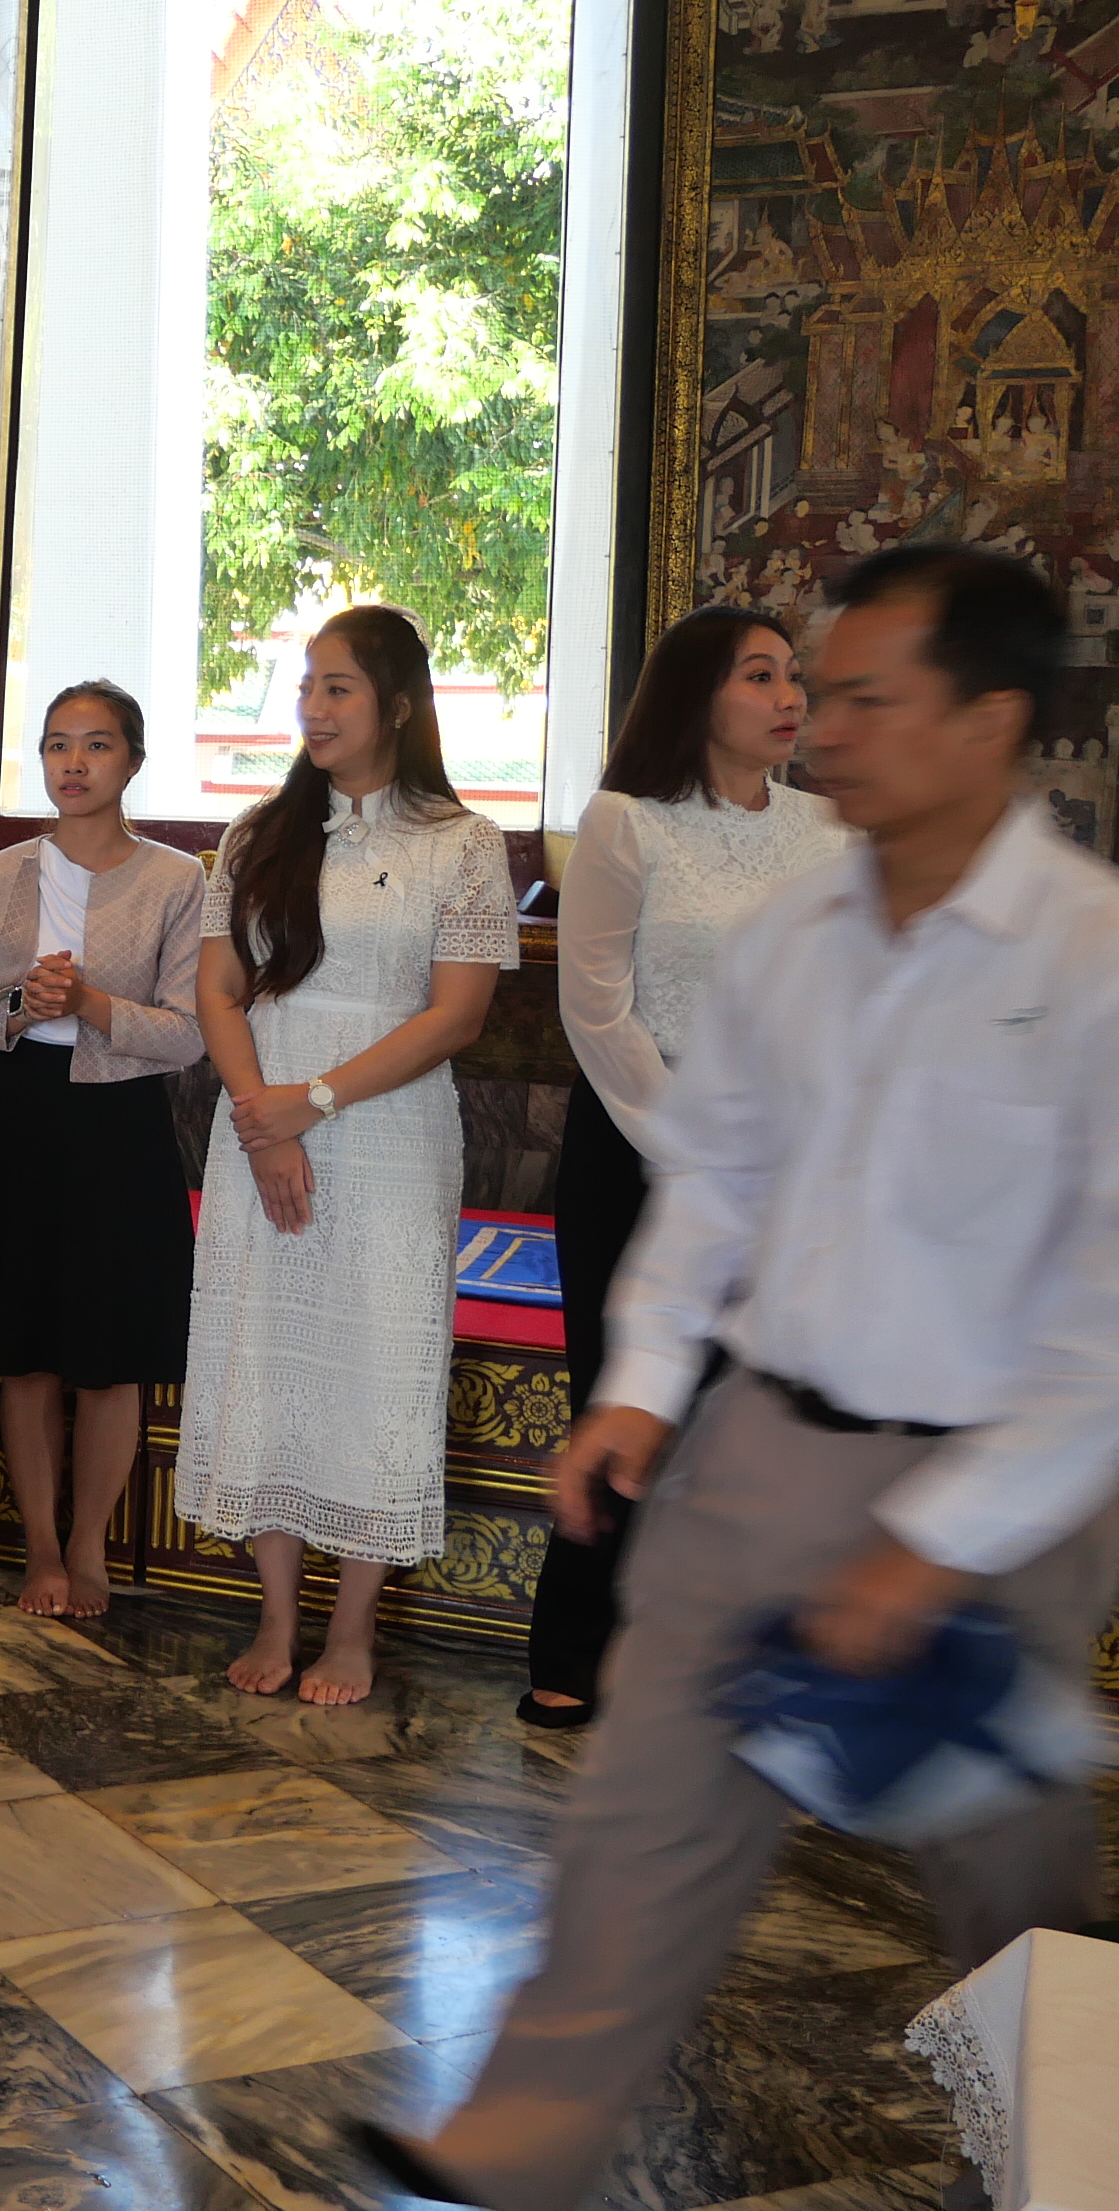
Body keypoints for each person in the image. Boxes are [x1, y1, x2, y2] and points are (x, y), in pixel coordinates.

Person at [369, 546, 1119, 2210]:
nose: (824, 730)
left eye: (865, 697)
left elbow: (1102, 1323)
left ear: (988, 722)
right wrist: (637, 1387)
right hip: (760, 1442)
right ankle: (508, 2148)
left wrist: (936, 1544)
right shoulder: (799, 938)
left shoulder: (1086, 959)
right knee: (641, 1811)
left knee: (1010, 1884)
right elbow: (711, 1181)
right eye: (814, 692)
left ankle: (1078, 2141)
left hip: (993, 1492)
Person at [181, 605, 511, 1706]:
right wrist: (259, 1112)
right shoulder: (254, 834)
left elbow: (455, 1016)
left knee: (376, 1360)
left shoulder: (461, 845)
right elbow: (218, 989)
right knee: (265, 1351)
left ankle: (354, 1626)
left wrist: (310, 1103)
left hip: (384, 1135)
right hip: (257, 1125)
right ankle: (276, 1613)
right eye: (306, 687)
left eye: (338, 688)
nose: (312, 708)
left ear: (399, 706)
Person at [527, 604, 841, 1728]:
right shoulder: (626, 820)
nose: (788, 694)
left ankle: (727, 1664)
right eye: (760, 674)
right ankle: (578, 1641)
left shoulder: (828, 831)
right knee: (625, 1394)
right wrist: (698, 1158)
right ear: (698, 695)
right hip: (637, 1146)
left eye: (794, 674)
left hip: (782, 1164)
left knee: (750, 1411)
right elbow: (597, 1013)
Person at [0, 684, 205, 1617]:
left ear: (133, 760)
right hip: (25, 1117)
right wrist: (21, 1008)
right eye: (56, 746)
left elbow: (186, 1036)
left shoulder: (178, 880)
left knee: (109, 1352)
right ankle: (39, 1549)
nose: (74, 765)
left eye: (95, 747)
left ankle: (90, 1548)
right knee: (28, 1349)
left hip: (123, 1123)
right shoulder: (1, 875)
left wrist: (89, 1005)